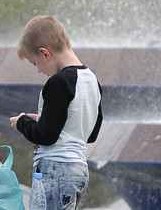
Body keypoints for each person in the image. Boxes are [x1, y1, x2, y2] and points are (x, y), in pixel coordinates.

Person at [9, 15, 103, 210]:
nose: (38, 70)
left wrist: (22, 123)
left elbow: (46, 136)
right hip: (78, 170)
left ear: (45, 53)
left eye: (35, 63)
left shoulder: (58, 82)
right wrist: (45, 120)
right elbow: (91, 133)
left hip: (55, 169)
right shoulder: (92, 80)